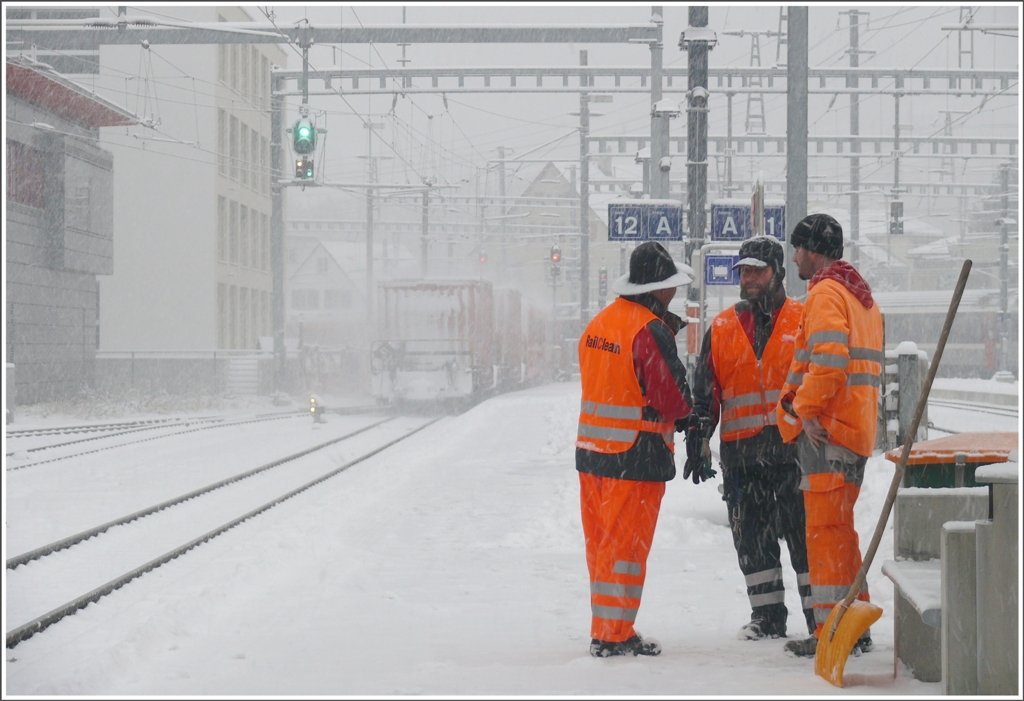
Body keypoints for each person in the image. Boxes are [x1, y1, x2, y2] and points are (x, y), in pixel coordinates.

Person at [685, 235, 815, 642]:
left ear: (777, 273)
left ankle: (820, 618)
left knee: (804, 538)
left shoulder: (805, 318)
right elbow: (706, 391)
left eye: (758, 270)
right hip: (743, 456)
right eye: (744, 271)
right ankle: (767, 616)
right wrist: (699, 434)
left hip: (793, 451)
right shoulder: (722, 327)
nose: (750, 278)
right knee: (752, 542)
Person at [773, 213, 885, 658]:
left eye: (797, 248)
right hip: (854, 431)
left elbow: (831, 358)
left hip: (828, 434)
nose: (793, 257)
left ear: (812, 251)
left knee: (824, 535)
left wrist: (805, 409)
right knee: (840, 534)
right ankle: (853, 625)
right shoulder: (862, 298)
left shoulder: (824, 293)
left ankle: (832, 633)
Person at [576, 240, 694, 658]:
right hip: (635, 453)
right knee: (625, 549)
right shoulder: (648, 331)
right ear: (659, 290)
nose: (674, 295)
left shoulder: (599, 324)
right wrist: (691, 414)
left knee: (603, 545)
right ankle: (612, 635)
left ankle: (607, 624)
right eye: (671, 288)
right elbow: (672, 399)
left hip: (593, 452)